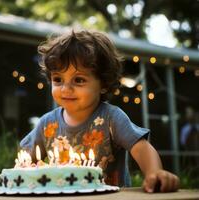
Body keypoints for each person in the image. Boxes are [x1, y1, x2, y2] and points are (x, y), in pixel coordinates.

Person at [20, 29, 179, 193]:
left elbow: (141, 148)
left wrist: (155, 173)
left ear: (103, 84)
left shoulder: (111, 118)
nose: (65, 89)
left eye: (79, 80)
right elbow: (23, 162)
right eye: (58, 79)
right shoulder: (47, 124)